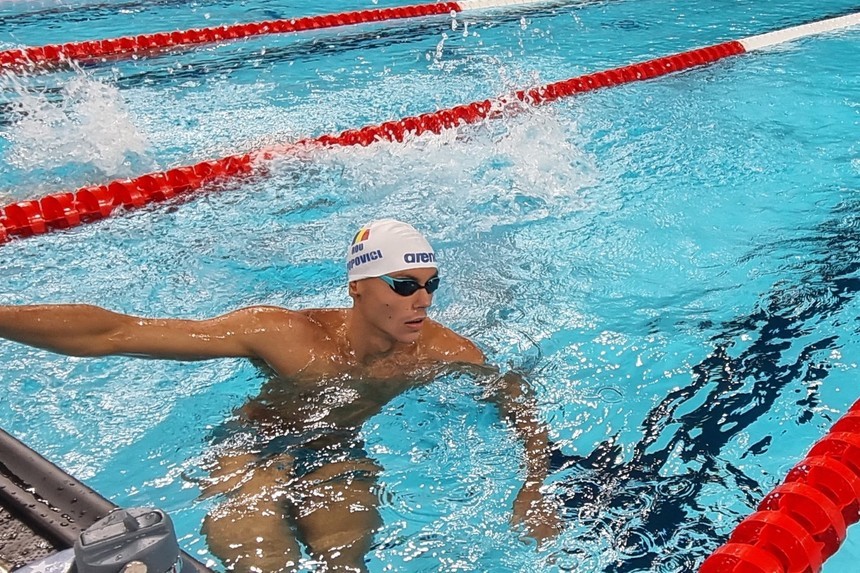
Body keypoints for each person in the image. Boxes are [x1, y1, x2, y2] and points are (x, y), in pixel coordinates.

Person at [0, 219, 560, 572]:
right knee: (262, 558)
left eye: (431, 285)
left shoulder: (441, 352)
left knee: (345, 562)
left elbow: (517, 400)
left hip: (338, 450)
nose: (423, 301)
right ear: (359, 288)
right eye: (405, 285)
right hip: (254, 446)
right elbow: (116, 333)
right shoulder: (285, 335)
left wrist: (534, 487)